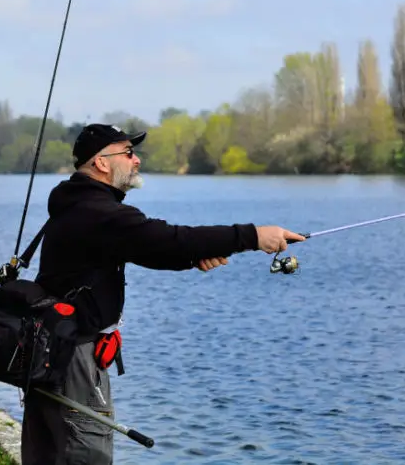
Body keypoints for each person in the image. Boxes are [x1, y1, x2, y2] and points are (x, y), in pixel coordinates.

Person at [21, 123, 305, 465]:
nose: (136, 160)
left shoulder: (78, 205)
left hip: (53, 353)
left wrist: (189, 260)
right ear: (102, 163)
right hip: (73, 359)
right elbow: (167, 238)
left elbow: (151, 250)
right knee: (86, 453)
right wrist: (252, 236)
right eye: (128, 153)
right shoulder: (98, 212)